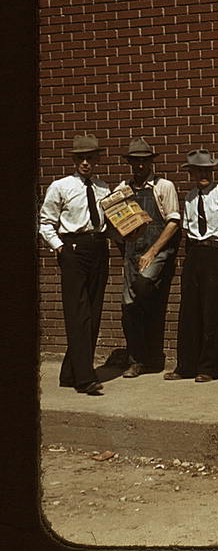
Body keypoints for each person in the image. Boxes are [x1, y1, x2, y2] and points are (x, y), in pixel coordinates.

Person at [39, 134, 112, 395]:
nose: (85, 162)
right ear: (73, 160)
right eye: (80, 157)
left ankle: (70, 372)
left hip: (98, 249)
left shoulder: (104, 188)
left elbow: (112, 222)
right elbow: (46, 223)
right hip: (72, 250)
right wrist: (60, 248)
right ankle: (84, 378)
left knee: (92, 314)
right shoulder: (60, 186)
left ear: (97, 159)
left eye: (90, 157)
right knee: (78, 313)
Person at [115, 138, 181, 379]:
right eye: (135, 161)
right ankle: (136, 360)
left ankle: (153, 356)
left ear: (150, 162)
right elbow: (115, 223)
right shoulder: (123, 189)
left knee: (144, 289)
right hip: (131, 253)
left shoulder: (164, 186)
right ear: (130, 163)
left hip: (158, 250)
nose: (140, 166)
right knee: (129, 307)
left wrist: (153, 251)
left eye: (144, 161)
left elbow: (174, 222)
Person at [165, 149, 218, 383]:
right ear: (191, 173)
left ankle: (210, 367)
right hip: (195, 252)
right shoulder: (190, 197)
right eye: (198, 170)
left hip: (215, 252)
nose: (202, 174)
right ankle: (186, 365)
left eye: (206, 170)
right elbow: (188, 227)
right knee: (190, 311)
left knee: (213, 311)